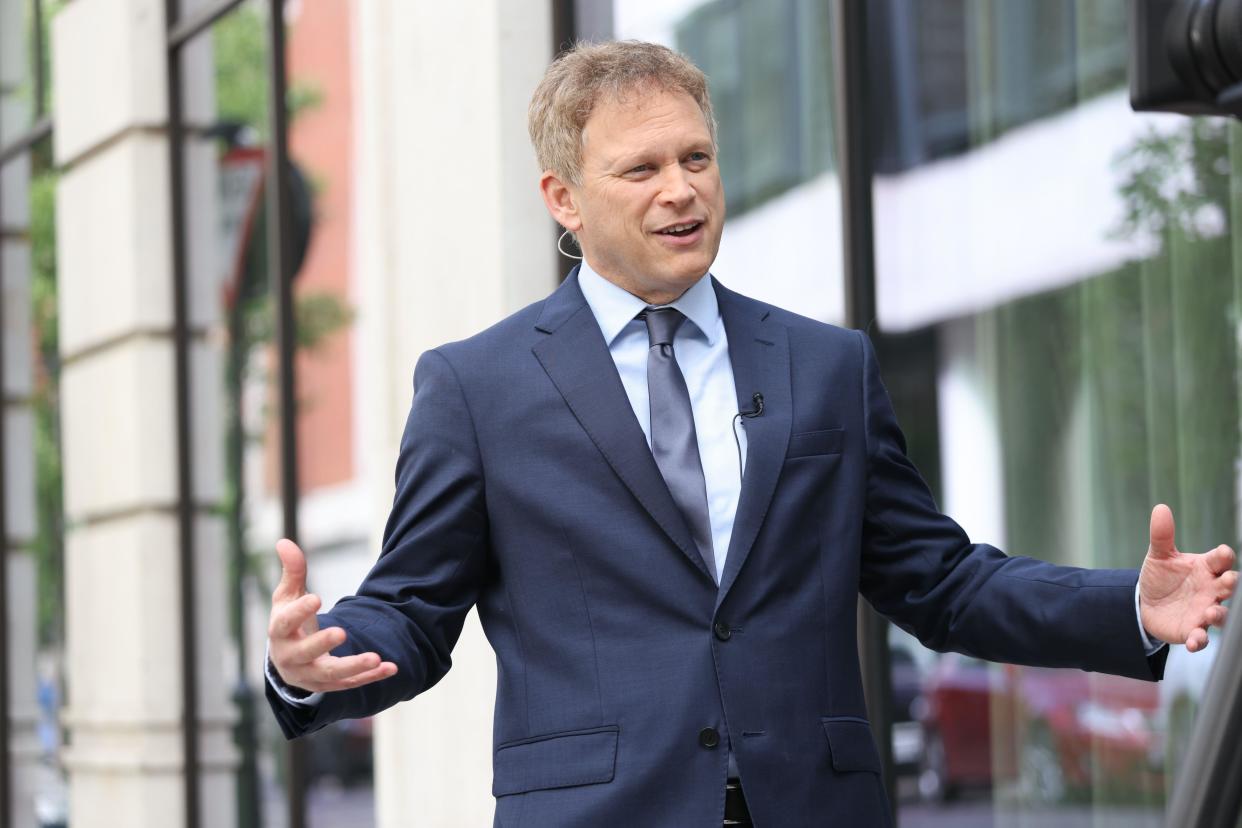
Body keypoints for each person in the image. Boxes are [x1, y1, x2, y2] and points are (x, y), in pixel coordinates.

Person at [265, 41, 1238, 827]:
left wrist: (1129, 609)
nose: (680, 189)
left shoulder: (825, 367)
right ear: (564, 199)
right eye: (639, 169)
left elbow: (940, 583)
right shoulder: (475, 386)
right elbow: (413, 609)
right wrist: (315, 661)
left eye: (696, 157)